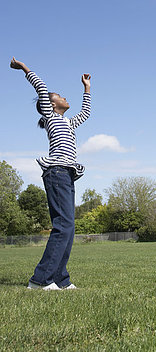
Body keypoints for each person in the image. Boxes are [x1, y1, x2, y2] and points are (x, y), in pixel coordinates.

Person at [10, 57, 91, 291]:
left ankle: (60, 279)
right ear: (51, 105)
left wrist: (86, 88)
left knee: (69, 228)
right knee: (62, 225)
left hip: (67, 174)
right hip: (55, 173)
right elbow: (41, 89)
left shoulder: (69, 122)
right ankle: (40, 280)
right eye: (60, 97)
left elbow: (85, 112)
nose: (64, 98)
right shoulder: (51, 117)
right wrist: (24, 68)